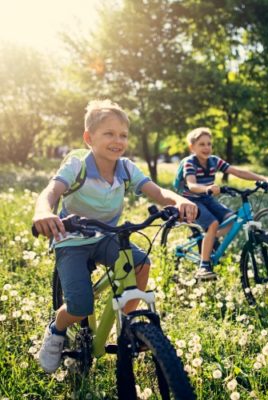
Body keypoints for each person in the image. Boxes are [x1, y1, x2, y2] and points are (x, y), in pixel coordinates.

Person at [32, 100, 197, 373]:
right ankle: (57, 328)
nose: (117, 140)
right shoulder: (77, 166)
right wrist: (42, 212)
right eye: (108, 133)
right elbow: (50, 192)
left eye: (123, 135)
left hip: (104, 235)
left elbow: (158, 193)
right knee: (80, 306)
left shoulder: (126, 168)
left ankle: (129, 324)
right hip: (71, 238)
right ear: (89, 138)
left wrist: (178, 200)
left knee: (141, 263)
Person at [180, 127, 268, 280]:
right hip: (191, 200)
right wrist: (207, 188)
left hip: (207, 198)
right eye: (202, 144)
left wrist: (263, 179)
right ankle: (204, 266)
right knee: (212, 223)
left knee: (232, 220)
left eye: (209, 144)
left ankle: (209, 239)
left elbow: (238, 172)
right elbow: (192, 185)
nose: (207, 148)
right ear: (192, 147)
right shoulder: (189, 163)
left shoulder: (214, 160)